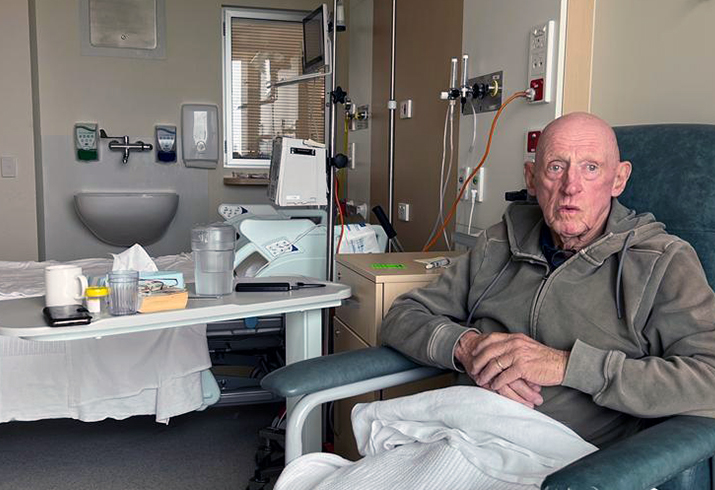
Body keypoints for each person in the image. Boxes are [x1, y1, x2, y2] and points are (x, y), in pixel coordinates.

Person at [381, 112, 715, 448]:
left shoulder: (663, 261)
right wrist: (469, 348)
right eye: (556, 167)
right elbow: (401, 317)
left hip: (560, 459)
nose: (571, 187)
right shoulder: (497, 243)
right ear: (531, 177)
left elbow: (709, 378)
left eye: (591, 168)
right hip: (455, 432)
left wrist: (567, 365)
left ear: (619, 179)